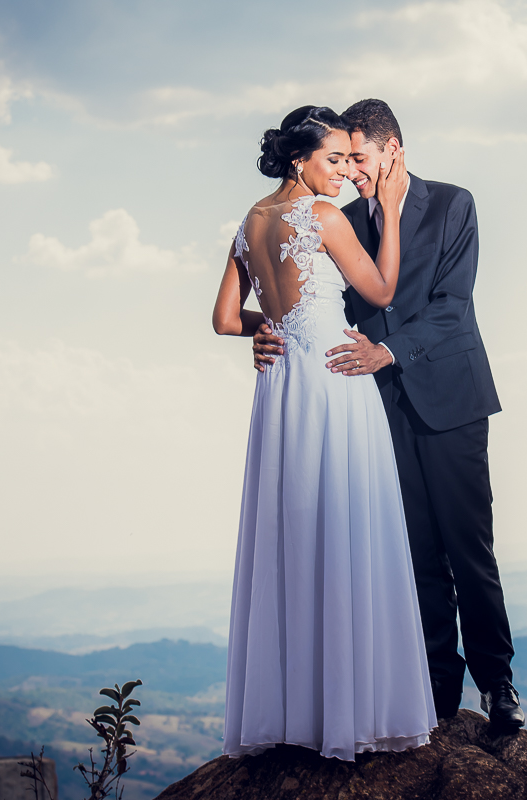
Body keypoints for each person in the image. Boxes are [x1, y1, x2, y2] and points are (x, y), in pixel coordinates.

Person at [253, 99, 525, 732]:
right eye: (343, 160)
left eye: (360, 158)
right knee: (415, 553)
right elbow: (311, 301)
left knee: (469, 549)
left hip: (451, 400)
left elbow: (453, 304)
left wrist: (389, 349)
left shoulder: (453, 203)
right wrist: (265, 331)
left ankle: (498, 684)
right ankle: (436, 690)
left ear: (392, 150)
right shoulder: (340, 218)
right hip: (376, 406)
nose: (350, 171)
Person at [212, 105, 436, 761]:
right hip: (335, 378)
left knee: (293, 534)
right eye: (332, 159)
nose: (342, 172)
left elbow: (225, 319)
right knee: (345, 527)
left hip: (281, 386)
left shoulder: (249, 222)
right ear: (298, 160)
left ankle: (296, 713)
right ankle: (348, 713)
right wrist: (388, 208)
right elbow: (383, 290)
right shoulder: (323, 216)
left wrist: (271, 327)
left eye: (347, 160)